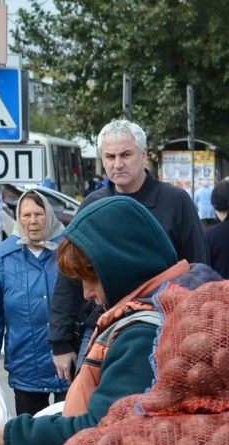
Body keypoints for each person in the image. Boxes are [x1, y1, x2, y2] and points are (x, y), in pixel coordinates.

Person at [0, 194, 220, 445]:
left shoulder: (143, 333)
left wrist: (15, 437)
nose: (86, 293)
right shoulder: (162, 303)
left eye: (92, 278)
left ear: (122, 265)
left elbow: (102, 432)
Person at [51, 119, 206, 381]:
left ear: (143, 155)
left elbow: (198, 269)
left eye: (126, 154)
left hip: (163, 327)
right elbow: (70, 276)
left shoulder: (176, 202)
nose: (117, 163)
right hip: (100, 327)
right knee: (90, 411)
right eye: (110, 156)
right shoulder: (92, 205)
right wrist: (60, 342)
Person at [0, 189, 69, 414]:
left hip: (67, 363)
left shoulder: (68, 250)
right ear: (18, 218)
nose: (33, 221)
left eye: (39, 214)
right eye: (26, 215)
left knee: (67, 438)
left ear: (49, 215)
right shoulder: (5, 257)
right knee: (29, 439)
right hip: (25, 365)